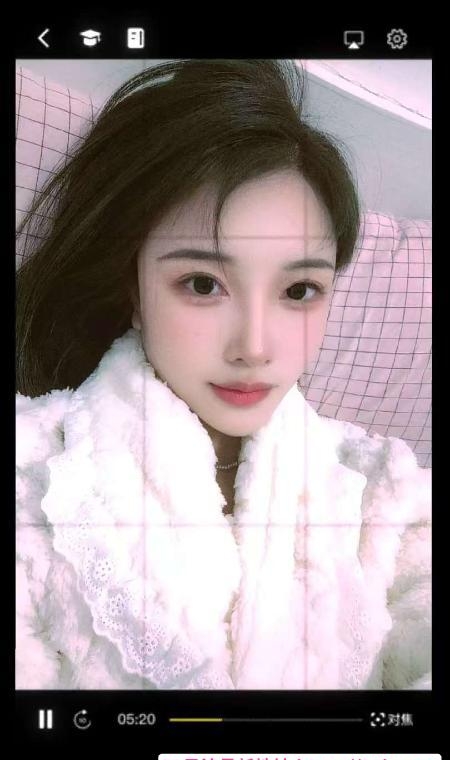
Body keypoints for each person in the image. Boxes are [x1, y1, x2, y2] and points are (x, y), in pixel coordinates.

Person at [16, 59, 431, 690]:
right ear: (134, 287)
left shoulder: (383, 490)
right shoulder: (34, 475)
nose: (255, 347)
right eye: (203, 284)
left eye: (300, 290)